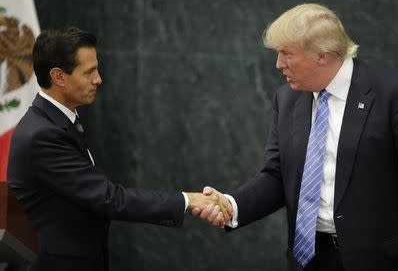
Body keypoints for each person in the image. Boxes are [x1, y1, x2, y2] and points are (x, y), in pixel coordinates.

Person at [193, 3, 398, 271]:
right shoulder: (287, 98)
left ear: (322, 56)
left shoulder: (396, 95)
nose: (278, 64)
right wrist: (231, 205)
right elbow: (278, 177)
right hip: (309, 258)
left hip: (381, 261)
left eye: (287, 53)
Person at [7, 26, 232, 271]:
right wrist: (188, 200)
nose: (98, 79)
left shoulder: (55, 121)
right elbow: (109, 199)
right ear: (59, 76)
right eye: (89, 71)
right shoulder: (43, 134)